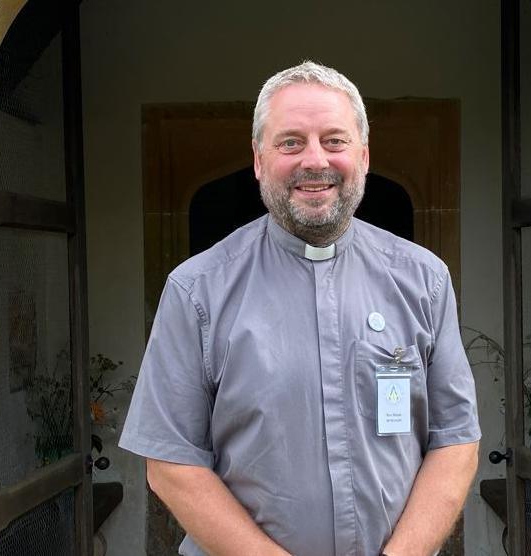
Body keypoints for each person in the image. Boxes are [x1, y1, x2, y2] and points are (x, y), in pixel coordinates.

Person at [119, 61, 480, 556]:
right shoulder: (196, 291)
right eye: (291, 142)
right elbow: (170, 465)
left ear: (365, 155)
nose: (315, 160)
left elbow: (455, 441)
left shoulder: (425, 280)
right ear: (258, 159)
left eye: (334, 140)